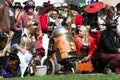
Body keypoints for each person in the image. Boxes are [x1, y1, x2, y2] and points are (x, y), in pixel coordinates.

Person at [0, 0, 14, 76]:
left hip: (9, 33)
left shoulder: (10, 7)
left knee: (5, 54)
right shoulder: (1, 6)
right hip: (2, 34)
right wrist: (1, 32)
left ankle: (2, 73)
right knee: (1, 54)